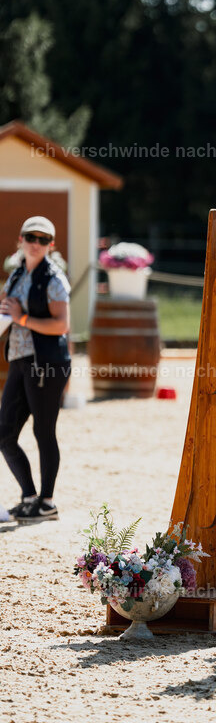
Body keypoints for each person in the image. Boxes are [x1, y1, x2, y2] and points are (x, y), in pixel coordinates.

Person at [0, 216, 71, 521]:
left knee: (43, 431)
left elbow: (62, 325)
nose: (36, 244)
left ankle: (47, 503)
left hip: (47, 364)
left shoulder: (54, 279)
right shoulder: (16, 275)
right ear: (21, 239)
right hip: (19, 360)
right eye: (31, 237)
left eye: (43, 239)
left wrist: (22, 318)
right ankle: (30, 498)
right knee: (4, 433)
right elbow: (7, 311)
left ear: (51, 245)